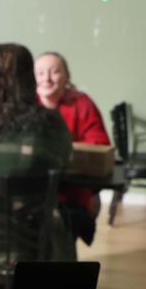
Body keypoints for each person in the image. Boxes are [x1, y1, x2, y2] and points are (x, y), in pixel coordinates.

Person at [0, 43, 75, 289]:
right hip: (31, 247)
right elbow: (65, 164)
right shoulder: (49, 124)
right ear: (29, 78)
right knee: (65, 219)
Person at [34, 51, 109, 244]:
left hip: (70, 191)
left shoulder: (82, 103)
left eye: (54, 72)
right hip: (31, 191)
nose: (47, 79)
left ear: (67, 77)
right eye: (40, 73)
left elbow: (98, 144)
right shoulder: (27, 103)